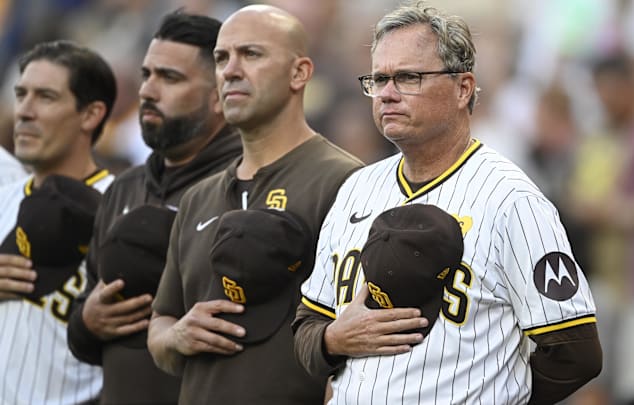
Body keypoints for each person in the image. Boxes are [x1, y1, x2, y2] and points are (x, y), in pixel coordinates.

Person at [292, 3, 602, 404]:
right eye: (378, 78)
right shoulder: (356, 188)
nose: (387, 93)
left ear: (463, 88)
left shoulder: (511, 199)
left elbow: (576, 350)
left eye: (407, 77)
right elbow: (306, 326)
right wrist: (332, 339)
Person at [146, 5, 362, 404]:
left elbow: (365, 329)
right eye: (221, 58)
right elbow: (160, 325)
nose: (230, 70)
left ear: (300, 73)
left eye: (251, 54)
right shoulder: (198, 196)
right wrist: (176, 336)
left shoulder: (345, 182)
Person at [65, 11, 242, 405]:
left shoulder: (247, 185)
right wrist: (88, 322)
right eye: (147, 75)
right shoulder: (123, 188)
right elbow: (83, 315)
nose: (147, 90)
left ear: (220, 95)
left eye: (170, 78)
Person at [0, 40, 116, 404]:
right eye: (21, 95)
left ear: (90, 114)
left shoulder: (122, 209)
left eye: (45, 97)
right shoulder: (4, 195)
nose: (24, 111)